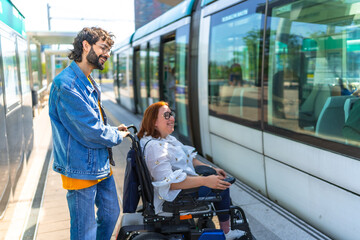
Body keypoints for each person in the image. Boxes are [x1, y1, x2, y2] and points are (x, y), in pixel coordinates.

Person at [48, 27, 129, 240]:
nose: (107, 54)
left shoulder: (87, 79)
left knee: (111, 213)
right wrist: (116, 136)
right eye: (103, 48)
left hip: (99, 162)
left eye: (109, 50)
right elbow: (90, 131)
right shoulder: (67, 85)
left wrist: (113, 130)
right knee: (85, 230)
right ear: (85, 46)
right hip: (80, 168)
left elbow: (93, 123)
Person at [137, 101, 245, 240]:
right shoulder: (155, 148)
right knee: (222, 187)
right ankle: (227, 233)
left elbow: (189, 158)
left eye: (171, 114)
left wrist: (211, 169)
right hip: (174, 197)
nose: (172, 118)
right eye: (166, 115)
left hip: (181, 190)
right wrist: (205, 181)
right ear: (154, 122)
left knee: (218, 180)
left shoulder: (167, 139)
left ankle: (226, 226)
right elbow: (169, 183)